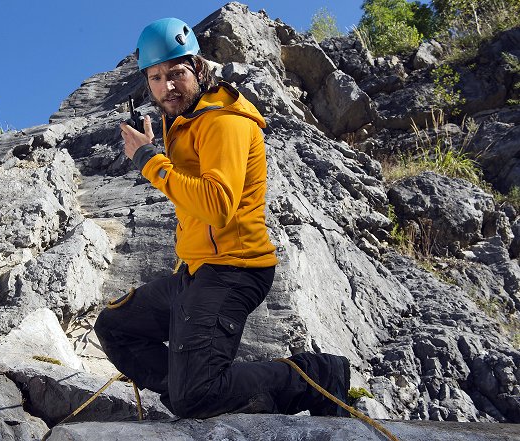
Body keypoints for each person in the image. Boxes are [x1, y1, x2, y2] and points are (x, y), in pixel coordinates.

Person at [94, 17, 350, 419]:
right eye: (156, 78)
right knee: (114, 327)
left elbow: (217, 205)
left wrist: (149, 160)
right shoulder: (185, 116)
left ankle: (317, 375)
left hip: (234, 269)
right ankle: (199, 388)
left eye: (176, 73)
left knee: (193, 398)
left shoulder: (223, 121)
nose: (167, 87)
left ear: (198, 67)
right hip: (195, 271)